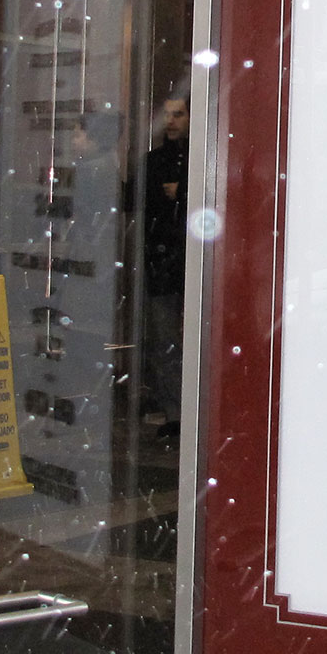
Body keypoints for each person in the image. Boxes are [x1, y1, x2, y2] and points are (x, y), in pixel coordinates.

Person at [139, 96, 190, 435]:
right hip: (163, 262)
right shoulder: (154, 161)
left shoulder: (199, 158)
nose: (171, 121)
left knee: (178, 338)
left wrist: (183, 192)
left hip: (188, 260)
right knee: (164, 339)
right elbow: (141, 201)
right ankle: (174, 411)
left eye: (178, 115)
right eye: (167, 114)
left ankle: (183, 409)